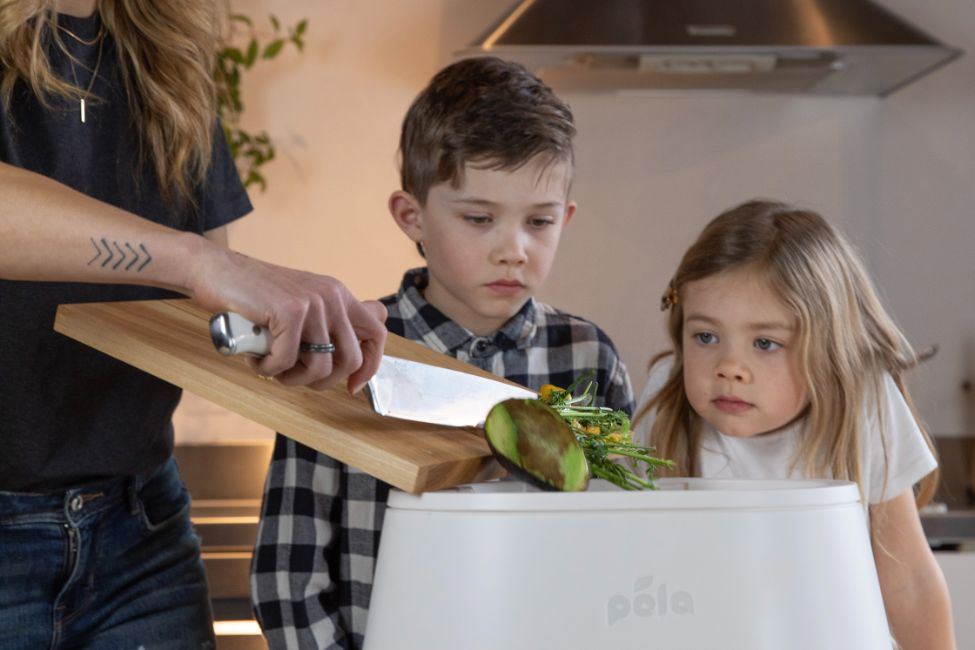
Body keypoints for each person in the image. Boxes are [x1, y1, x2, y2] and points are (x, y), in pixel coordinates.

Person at [0, 2, 386, 648]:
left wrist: (290, 336)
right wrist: (198, 260)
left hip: (138, 533)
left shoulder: (168, 53)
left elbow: (204, 313)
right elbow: (200, 262)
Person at [251, 56, 635, 649]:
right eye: (480, 218)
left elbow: (617, 549)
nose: (514, 250)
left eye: (540, 221)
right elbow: (289, 577)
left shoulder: (590, 360)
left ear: (568, 218)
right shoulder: (343, 355)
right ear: (412, 217)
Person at [632, 200, 954, 650]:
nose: (729, 367)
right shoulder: (666, 397)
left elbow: (908, 581)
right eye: (706, 336)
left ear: (826, 346)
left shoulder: (863, 402)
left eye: (765, 343)